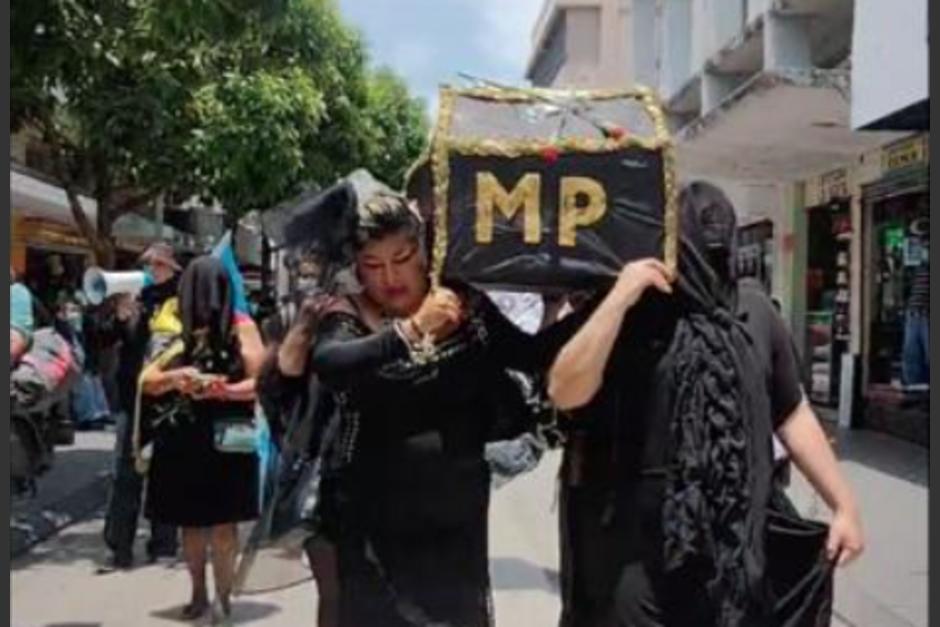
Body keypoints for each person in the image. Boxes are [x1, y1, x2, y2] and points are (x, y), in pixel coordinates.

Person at [548, 181, 864, 626]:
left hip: (733, 552)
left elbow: (792, 413)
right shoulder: (635, 310)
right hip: (638, 553)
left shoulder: (755, 312)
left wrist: (844, 505)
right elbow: (564, 390)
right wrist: (618, 298)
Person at [269, 182, 583, 627]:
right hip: (371, 525)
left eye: (401, 259)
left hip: (454, 523)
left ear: (423, 252)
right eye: (373, 265)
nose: (390, 277)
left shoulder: (464, 303)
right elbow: (332, 362)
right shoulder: (349, 313)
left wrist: (600, 305)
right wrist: (413, 330)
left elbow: (528, 354)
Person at [140, 256, 265, 621]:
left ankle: (221, 599)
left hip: (228, 434)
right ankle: (200, 593)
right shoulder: (169, 325)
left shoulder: (242, 327)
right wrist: (176, 380)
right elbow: (147, 382)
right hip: (185, 434)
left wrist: (224, 390)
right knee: (193, 522)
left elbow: (261, 382)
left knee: (221, 522)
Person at [99, 242, 182, 570]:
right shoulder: (135, 298)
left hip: (168, 398)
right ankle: (119, 546)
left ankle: (164, 542)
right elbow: (102, 339)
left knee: (166, 471)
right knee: (125, 472)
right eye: (147, 264)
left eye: (158, 264)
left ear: (173, 268)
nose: (151, 270)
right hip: (132, 398)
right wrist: (120, 318)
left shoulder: (182, 299)